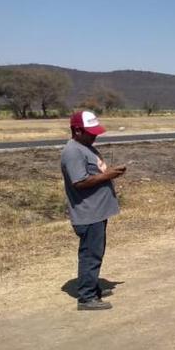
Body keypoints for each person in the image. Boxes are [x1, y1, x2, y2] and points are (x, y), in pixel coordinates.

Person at [60, 111, 126, 310]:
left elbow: (92, 172)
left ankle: (91, 286)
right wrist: (109, 176)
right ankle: (87, 297)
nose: (95, 136)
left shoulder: (85, 147)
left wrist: (108, 172)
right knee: (91, 254)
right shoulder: (73, 151)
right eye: (90, 132)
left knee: (95, 252)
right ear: (77, 130)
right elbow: (79, 182)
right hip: (88, 213)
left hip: (97, 211)